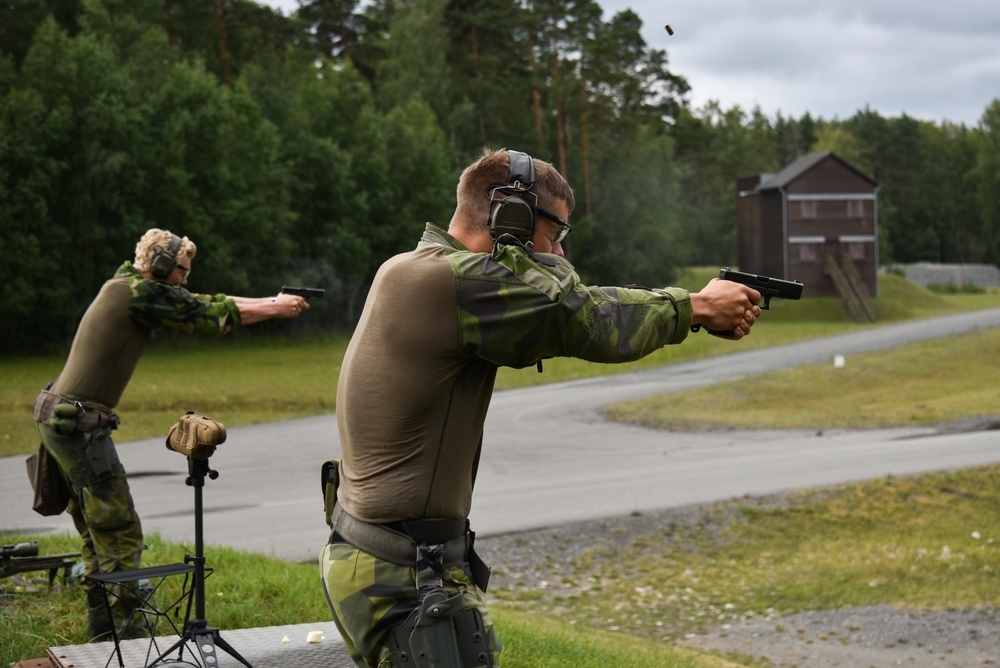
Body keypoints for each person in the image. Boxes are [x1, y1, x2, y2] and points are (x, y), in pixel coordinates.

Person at [320, 148, 762, 667]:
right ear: (510, 217)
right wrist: (696, 306)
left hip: (381, 557)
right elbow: (582, 318)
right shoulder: (449, 282)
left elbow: (570, 305)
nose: (559, 252)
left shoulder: (411, 269)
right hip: (402, 575)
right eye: (554, 235)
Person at [32, 228, 311, 641]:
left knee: (96, 533)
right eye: (181, 269)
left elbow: (203, 301)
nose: (184, 278)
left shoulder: (127, 285)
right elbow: (208, 318)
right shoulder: (140, 293)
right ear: (161, 265)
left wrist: (272, 301)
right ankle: (127, 636)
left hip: (62, 419)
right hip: (78, 426)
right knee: (119, 531)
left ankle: (103, 634)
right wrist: (274, 309)